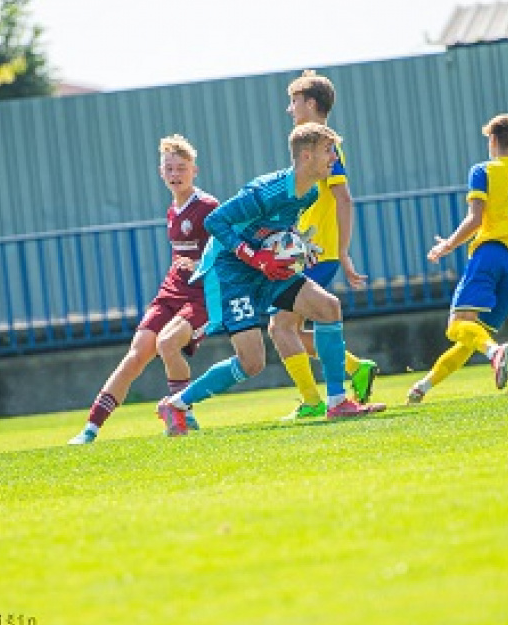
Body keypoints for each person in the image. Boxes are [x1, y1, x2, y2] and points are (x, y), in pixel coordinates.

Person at [156, 122, 386, 436]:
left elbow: (277, 230)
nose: (334, 157)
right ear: (306, 156)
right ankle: (177, 404)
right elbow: (215, 221)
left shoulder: (311, 193)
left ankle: (337, 402)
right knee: (252, 363)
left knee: (328, 307)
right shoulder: (269, 190)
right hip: (231, 272)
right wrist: (254, 257)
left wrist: (298, 248)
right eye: (328, 151)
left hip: (265, 268)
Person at [68, 134, 219, 444]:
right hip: (171, 292)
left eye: (181, 168)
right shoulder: (172, 210)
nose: (175, 174)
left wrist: (203, 264)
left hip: (202, 296)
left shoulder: (207, 207)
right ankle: (90, 429)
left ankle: (181, 411)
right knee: (135, 356)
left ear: (195, 170)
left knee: (167, 344)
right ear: (160, 172)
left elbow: (227, 247)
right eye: (169, 168)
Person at [406, 114, 508, 405]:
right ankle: (423, 387)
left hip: (489, 256)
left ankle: (494, 353)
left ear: (493, 141)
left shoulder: (483, 170)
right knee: (471, 337)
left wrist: (448, 245)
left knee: (456, 327)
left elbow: (475, 219)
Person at [269, 70, 378, 422]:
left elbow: (343, 198)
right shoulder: (313, 146)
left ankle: (316, 400)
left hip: (317, 253)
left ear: (311, 104)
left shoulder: (328, 148)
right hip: (307, 251)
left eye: (294, 101)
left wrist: (342, 252)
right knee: (289, 329)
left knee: (280, 328)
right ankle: (354, 370)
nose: (289, 109)